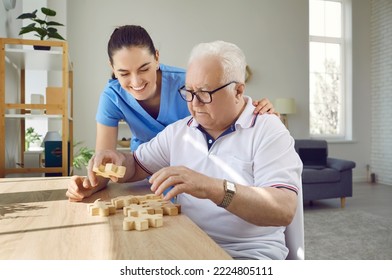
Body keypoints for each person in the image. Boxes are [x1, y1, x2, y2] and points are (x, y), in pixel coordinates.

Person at [67, 40, 302, 260]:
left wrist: (210, 187)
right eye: (189, 92)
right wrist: (115, 161)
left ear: (238, 91)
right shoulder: (180, 131)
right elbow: (136, 165)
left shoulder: (269, 130)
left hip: (246, 256)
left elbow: (282, 208)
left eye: (205, 93)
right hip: (184, 243)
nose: (194, 104)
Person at [92, 25, 277, 195]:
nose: (136, 81)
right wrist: (89, 183)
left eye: (144, 69)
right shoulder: (112, 97)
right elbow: (108, 164)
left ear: (157, 58)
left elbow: (231, 106)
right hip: (145, 172)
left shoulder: (189, 86)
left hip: (196, 175)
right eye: (124, 73)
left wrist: (260, 112)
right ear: (113, 69)